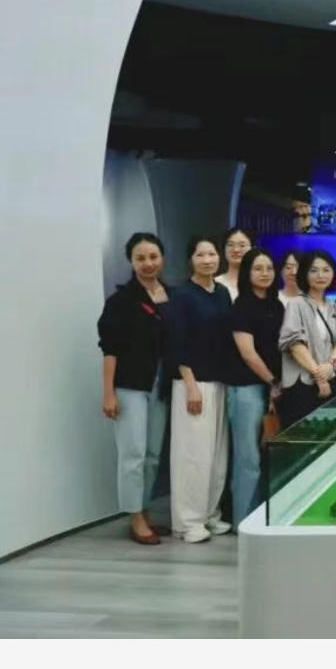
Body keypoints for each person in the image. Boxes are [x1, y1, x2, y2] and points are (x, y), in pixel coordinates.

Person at [98, 233, 170, 545]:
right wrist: (108, 393)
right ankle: (135, 517)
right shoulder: (121, 301)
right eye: (140, 258)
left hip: (160, 385)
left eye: (153, 256)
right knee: (133, 454)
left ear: (162, 258)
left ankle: (145, 509)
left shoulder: (170, 296)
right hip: (129, 386)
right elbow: (110, 349)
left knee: (153, 455)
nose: (148, 263)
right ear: (131, 261)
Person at [166, 235, 234, 543]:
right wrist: (191, 385)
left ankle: (210, 514)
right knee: (192, 455)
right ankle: (187, 522)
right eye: (200, 255)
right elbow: (176, 343)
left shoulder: (221, 292)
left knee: (216, 456)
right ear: (190, 260)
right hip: (192, 383)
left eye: (212, 254)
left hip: (219, 381)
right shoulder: (181, 295)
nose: (207, 260)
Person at [225, 248, 284, 529]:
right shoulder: (241, 307)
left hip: (272, 388)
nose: (265, 273)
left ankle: (261, 517)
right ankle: (243, 522)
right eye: (258, 268)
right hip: (246, 388)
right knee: (247, 457)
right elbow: (248, 354)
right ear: (247, 273)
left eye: (269, 268)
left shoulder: (277, 306)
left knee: (265, 455)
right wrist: (272, 381)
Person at [277, 250, 336, 429]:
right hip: (302, 384)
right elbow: (295, 345)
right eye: (314, 270)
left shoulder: (334, 307)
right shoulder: (296, 304)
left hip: (330, 379)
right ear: (304, 273)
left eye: (326, 270)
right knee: (303, 437)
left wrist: (330, 365)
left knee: (333, 436)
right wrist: (319, 376)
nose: (320, 275)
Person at [215, 227, 252, 302]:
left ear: (252, 248)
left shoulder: (260, 282)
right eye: (230, 245)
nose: (236, 250)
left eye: (242, 245)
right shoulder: (215, 284)